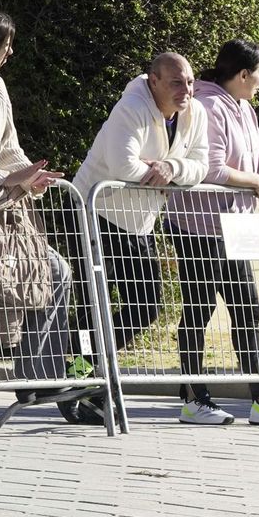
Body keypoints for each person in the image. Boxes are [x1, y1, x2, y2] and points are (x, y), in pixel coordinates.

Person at [167, 40, 259, 426]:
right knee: (199, 310)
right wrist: (254, 182)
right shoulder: (209, 107)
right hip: (199, 226)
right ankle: (194, 397)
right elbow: (212, 169)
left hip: (235, 225)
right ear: (243, 74)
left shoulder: (243, 108)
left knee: (247, 306)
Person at [74, 54, 210, 368]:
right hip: (94, 211)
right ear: (154, 82)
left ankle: (77, 355)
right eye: (176, 83)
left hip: (139, 221)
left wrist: (170, 168)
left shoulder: (196, 113)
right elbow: (124, 165)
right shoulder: (131, 108)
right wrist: (162, 175)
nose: (185, 90)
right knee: (92, 305)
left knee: (147, 305)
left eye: (190, 82)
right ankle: (81, 373)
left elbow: (200, 167)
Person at [0, 12, 78, 421]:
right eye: (5, 43)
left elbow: (9, 147)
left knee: (55, 271)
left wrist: (32, 175)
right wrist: (13, 178)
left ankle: (40, 378)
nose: (10, 52)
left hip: (5, 214)